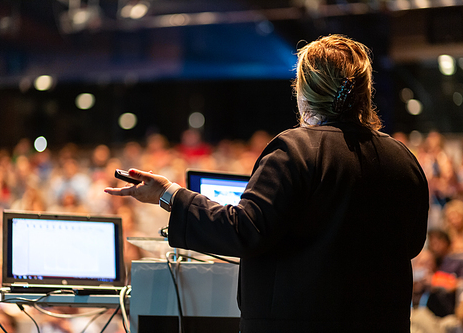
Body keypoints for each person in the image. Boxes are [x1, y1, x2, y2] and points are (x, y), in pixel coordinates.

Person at [105, 34, 429, 332]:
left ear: (305, 92)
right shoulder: (402, 158)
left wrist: (169, 195)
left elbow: (245, 230)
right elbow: (411, 244)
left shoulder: (295, 150)